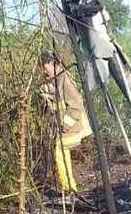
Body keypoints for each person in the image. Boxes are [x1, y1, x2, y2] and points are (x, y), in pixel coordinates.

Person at [37, 51, 93, 194]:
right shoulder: (58, 78)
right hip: (65, 125)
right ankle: (68, 186)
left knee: (60, 152)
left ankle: (68, 187)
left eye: (44, 67)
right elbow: (55, 94)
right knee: (61, 152)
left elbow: (75, 104)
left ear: (51, 63)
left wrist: (66, 123)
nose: (44, 71)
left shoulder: (65, 78)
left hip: (70, 125)